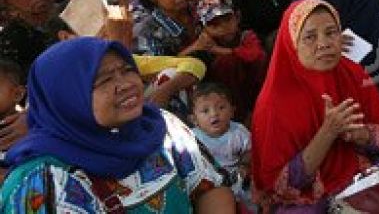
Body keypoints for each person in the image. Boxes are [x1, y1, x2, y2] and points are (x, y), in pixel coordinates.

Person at [1, 38, 234, 211]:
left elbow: (208, 188)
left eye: (127, 70)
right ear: (67, 98)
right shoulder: (41, 181)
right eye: (104, 80)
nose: (125, 84)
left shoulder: (162, 127)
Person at [250, 0, 379, 212]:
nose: (324, 43)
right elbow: (280, 187)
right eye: (310, 37)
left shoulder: (352, 73)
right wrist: (328, 133)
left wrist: (361, 135)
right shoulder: (274, 102)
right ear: (292, 44)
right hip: (309, 201)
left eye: (331, 33)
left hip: (363, 176)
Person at [190, 81, 252, 205]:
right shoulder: (192, 137)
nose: (214, 114)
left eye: (221, 107)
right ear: (194, 119)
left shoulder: (238, 132)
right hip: (207, 181)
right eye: (205, 111)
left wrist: (244, 165)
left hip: (235, 177)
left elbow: (250, 150)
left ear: (232, 111)